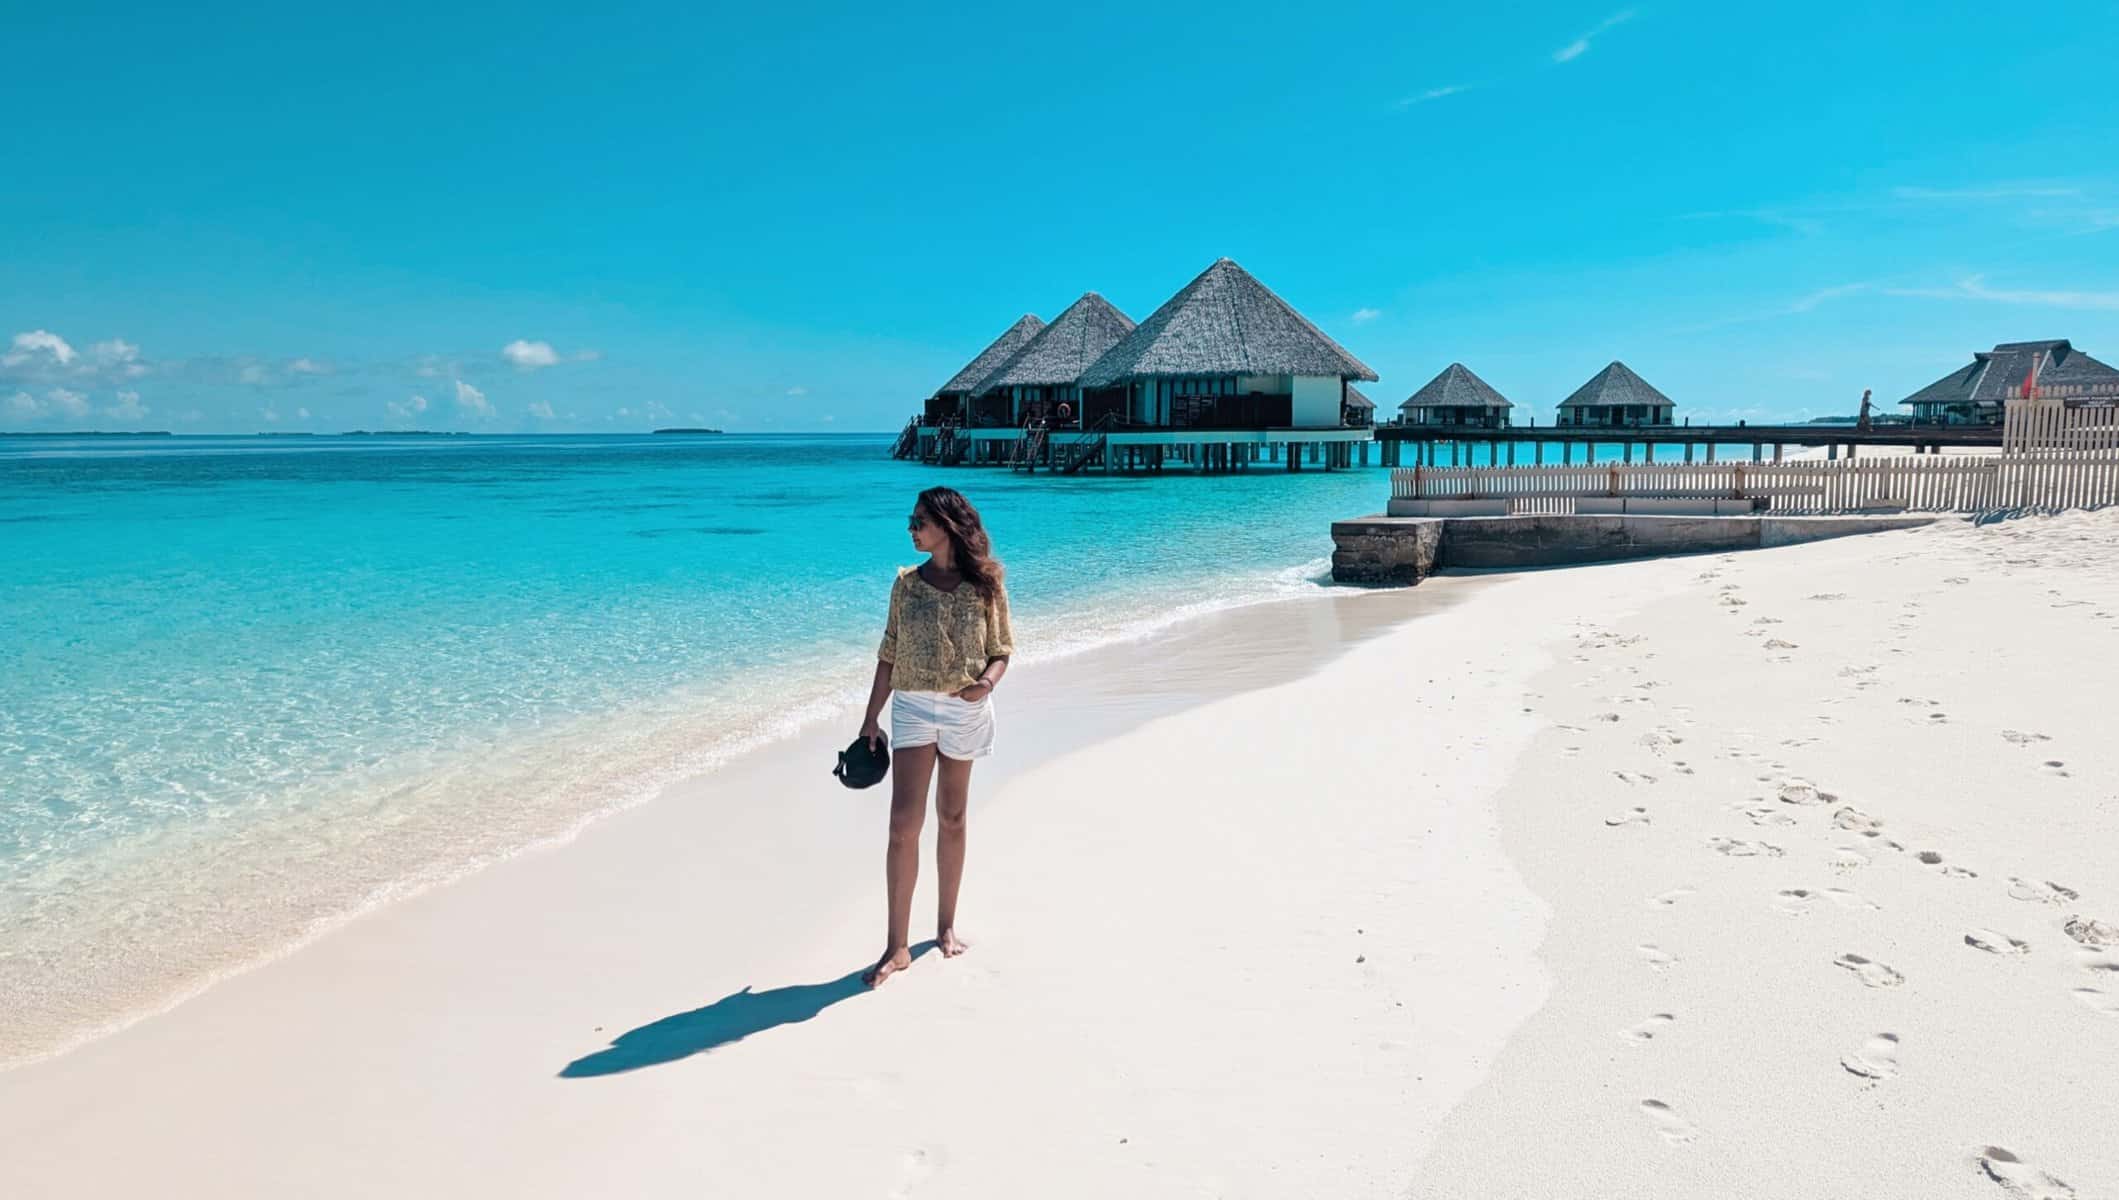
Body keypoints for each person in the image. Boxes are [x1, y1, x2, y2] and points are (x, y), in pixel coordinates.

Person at [856, 486, 1014, 987]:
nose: (911, 528)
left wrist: (986, 684)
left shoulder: (987, 583)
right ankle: (896, 946)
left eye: (919, 521)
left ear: (946, 526)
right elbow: (888, 652)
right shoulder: (905, 585)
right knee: (903, 823)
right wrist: (870, 719)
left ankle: (945, 927)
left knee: (953, 816)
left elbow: (1002, 648)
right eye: (912, 520)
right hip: (914, 707)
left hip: (967, 707)